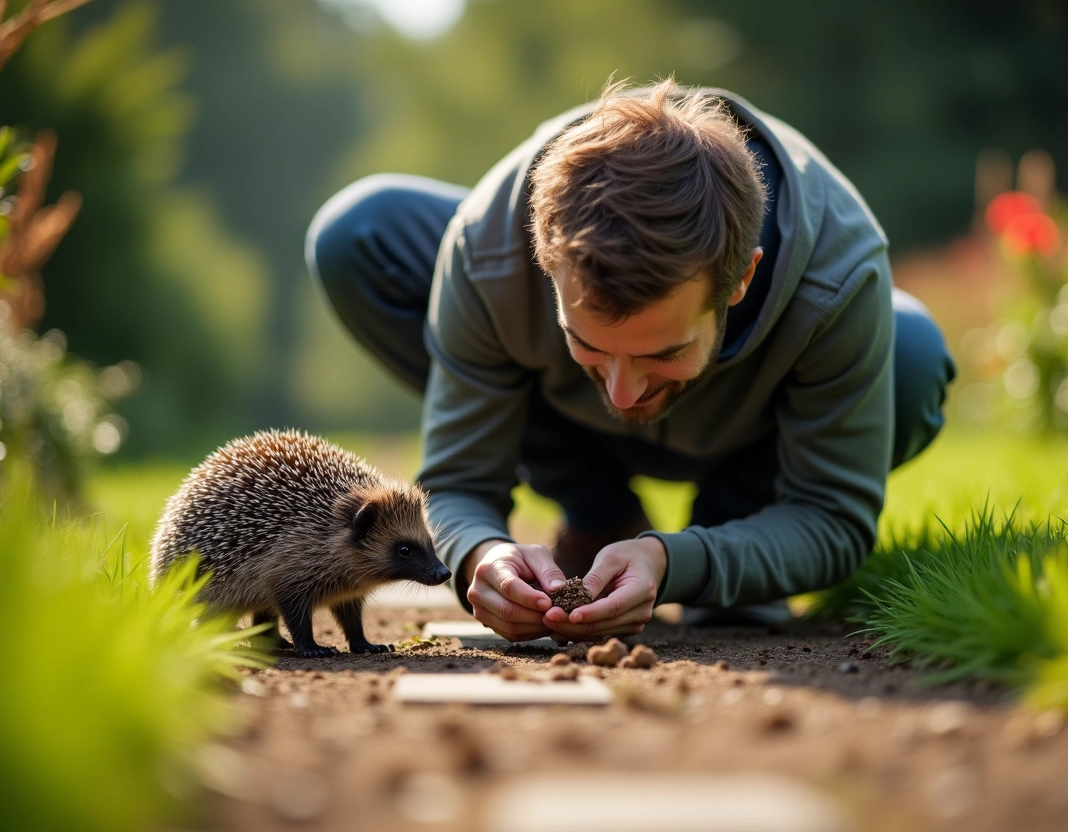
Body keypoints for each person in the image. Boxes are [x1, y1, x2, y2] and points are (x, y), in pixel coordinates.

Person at [306, 78, 955, 642]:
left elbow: (832, 519)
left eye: (663, 352)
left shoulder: (841, 272)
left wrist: (677, 561)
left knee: (914, 354)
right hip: (560, 421)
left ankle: (735, 521)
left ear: (740, 281)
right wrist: (482, 555)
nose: (620, 395)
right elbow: (458, 483)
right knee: (357, 232)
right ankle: (598, 509)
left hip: (757, 439)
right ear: (545, 263)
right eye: (587, 343)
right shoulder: (486, 244)